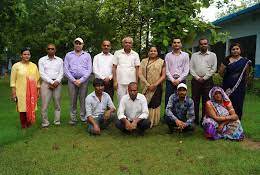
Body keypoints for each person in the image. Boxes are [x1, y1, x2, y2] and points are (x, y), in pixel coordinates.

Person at [218, 43, 251, 120]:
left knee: (238, 105)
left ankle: (236, 125)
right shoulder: (226, 60)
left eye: (237, 49)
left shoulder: (245, 61)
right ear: (230, 51)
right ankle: (226, 124)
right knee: (227, 105)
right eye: (233, 49)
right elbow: (220, 73)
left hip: (239, 88)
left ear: (240, 50)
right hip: (227, 87)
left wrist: (244, 84)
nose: (235, 50)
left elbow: (246, 75)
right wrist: (227, 74)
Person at [64, 37, 92, 125]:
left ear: (83, 45)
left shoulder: (87, 55)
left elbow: (89, 69)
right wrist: (73, 80)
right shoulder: (69, 55)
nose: (78, 45)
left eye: (80, 43)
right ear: (74, 44)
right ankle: (73, 118)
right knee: (73, 99)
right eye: (76, 43)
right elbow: (66, 69)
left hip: (84, 81)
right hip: (72, 80)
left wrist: (81, 80)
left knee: (83, 99)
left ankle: (83, 117)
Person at [10, 48, 40, 128]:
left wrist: (38, 91)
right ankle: (23, 125)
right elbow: (13, 81)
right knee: (22, 108)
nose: (26, 56)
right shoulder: (16, 66)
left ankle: (29, 124)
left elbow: (37, 80)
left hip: (32, 91)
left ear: (30, 55)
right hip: (21, 92)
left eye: (28, 54)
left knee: (31, 107)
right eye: (25, 54)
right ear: (21, 55)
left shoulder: (34, 66)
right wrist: (13, 93)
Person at [190, 38, 217, 125]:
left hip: (208, 81)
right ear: (199, 45)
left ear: (207, 44)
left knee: (206, 101)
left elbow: (214, 68)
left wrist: (205, 77)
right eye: (201, 44)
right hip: (196, 81)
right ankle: (195, 119)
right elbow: (191, 68)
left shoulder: (213, 55)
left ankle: (204, 120)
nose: (203, 45)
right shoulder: (194, 55)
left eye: (205, 44)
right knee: (195, 100)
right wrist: (197, 77)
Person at [139, 46, 166, 128]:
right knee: (145, 103)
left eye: (155, 51)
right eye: (151, 51)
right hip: (145, 86)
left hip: (157, 86)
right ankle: (145, 120)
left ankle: (154, 121)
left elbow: (163, 75)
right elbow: (139, 73)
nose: (153, 52)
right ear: (148, 52)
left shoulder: (162, 62)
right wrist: (147, 84)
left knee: (154, 103)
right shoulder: (143, 61)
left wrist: (155, 84)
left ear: (157, 52)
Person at [38, 44, 63, 127]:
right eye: (49, 49)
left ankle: (57, 121)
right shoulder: (42, 60)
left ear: (55, 50)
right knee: (44, 105)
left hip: (57, 84)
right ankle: (45, 123)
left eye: (52, 49)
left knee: (57, 104)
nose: (50, 50)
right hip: (46, 84)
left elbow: (61, 72)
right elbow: (41, 73)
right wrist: (51, 82)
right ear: (46, 50)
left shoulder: (59, 60)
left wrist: (57, 81)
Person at [112, 37, 140, 102]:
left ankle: (130, 112)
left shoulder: (135, 54)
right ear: (123, 44)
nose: (127, 44)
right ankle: (121, 112)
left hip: (132, 82)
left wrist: (136, 82)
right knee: (121, 101)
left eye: (129, 43)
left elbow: (137, 69)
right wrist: (115, 81)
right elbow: (114, 67)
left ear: (132, 44)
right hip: (120, 82)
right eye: (126, 42)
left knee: (131, 100)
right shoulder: (117, 53)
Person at [165, 38, 189, 108]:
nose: (176, 44)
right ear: (172, 44)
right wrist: (172, 80)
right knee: (168, 99)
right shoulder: (168, 55)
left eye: (178, 42)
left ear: (181, 44)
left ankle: (180, 117)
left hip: (181, 81)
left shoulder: (185, 55)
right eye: (174, 42)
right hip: (170, 81)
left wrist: (179, 80)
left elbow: (186, 70)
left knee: (181, 100)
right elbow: (166, 70)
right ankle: (168, 117)